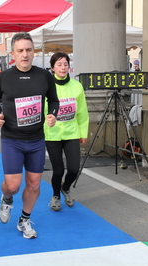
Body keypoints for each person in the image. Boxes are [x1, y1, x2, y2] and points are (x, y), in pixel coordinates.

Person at [0, 32, 59, 239]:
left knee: (35, 183)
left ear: (34, 52)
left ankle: (25, 219)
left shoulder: (44, 76)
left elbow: (53, 101)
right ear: (13, 54)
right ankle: (7, 198)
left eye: (28, 50)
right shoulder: (3, 77)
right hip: (12, 139)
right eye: (20, 51)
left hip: (36, 139)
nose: (25, 54)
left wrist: (52, 114)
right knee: (13, 185)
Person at [44, 52, 89, 212]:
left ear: (69, 67)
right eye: (59, 64)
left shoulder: (77, 86)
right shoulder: (47, 86)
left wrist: (83, 132)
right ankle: (55, 195)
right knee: (58, 170)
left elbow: (82, 112)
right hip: (52, 134)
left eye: (65, 64)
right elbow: (42, 111)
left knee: (73, 169)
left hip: (72, 133)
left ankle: (66, 187)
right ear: (52, 68)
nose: (63, 67)